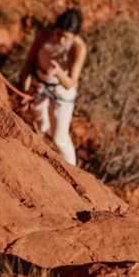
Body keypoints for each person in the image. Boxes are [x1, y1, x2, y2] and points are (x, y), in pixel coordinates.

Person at [20, 9, 87, 166]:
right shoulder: (44, 35)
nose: (62, 40)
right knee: (40, 122)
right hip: (40, 83)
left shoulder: (78, 47)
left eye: (67, 37)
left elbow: (71, 82)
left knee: (59, 137)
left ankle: (72, 169)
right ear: (55, 28)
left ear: (75, 36)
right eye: (59, 34)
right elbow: (28, 65)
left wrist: (58, 72)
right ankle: (41, 136)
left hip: (62, 91)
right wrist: (24, 92)